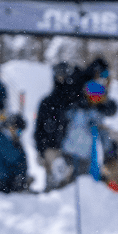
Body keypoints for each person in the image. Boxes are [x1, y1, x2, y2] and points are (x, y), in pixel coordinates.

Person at [59, 58, 118, 188]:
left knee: (86, 183)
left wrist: (110, 151)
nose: (96, 99)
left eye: (99, 97)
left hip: (86, 154)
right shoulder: (78, 106)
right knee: (74, 184)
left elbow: (104, 126)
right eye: (93, 96)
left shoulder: (95, 110)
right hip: (73, 152)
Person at [34, 61, 81, 190]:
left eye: (64, 74)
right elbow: (39, 130)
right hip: (52, 149)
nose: (62, 77)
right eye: (59, 74)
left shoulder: (74, 101)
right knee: (54, 185)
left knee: (69, 186)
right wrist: (41, 150)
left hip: (72, 150)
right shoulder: (47, 102)